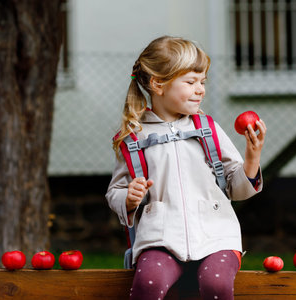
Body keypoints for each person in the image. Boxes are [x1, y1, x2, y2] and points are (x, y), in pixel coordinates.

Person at [106, 36, 266, 300]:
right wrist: (129, 197)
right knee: (149, 282)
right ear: (158, 84)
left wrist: (252, 157)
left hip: (217, 237)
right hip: (160, 238)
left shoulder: (208, 129)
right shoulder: (133, 137)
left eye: (202, 82)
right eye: (190, 82)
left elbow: (237, 189)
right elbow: (115, 192)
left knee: (216, 284)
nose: (200, 89)